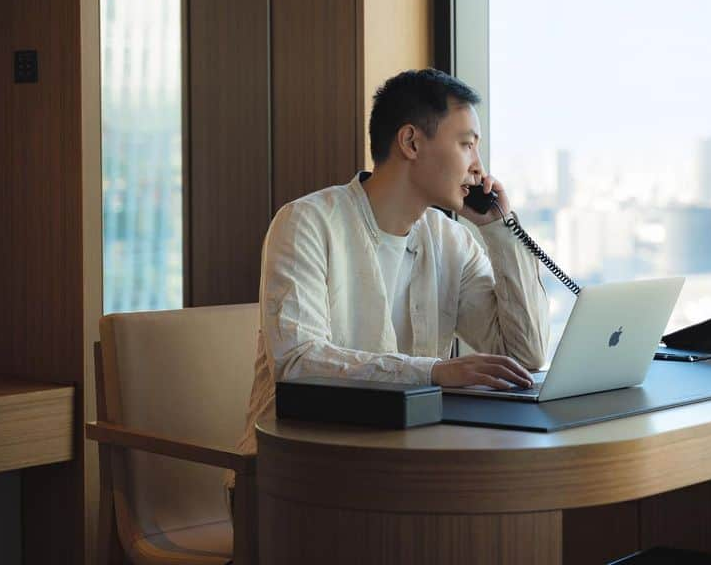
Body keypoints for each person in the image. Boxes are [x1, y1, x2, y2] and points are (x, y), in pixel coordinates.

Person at [231, 68, 550, 466]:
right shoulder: (306, 223)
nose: (479, 169)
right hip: (295, 472)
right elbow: (299, 363)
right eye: (467, 145)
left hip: (402, 465)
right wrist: (434, 372)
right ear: (411, 142)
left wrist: (501, 231)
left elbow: (525, 357)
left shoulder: (455, 241)